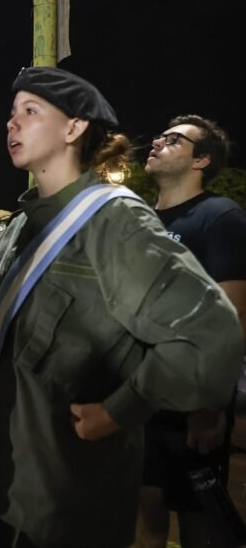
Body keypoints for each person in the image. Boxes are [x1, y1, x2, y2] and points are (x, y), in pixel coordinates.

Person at [0, 67, 243, 548]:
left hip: (68, 502)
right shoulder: (20, 226)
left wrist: (119, 410)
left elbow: (212, 333)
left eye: (30, 111)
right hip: (6, 489)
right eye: (12, 112)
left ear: (74, 127)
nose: (11, 123)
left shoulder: (113, 219)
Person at [135, 114, 246, 548]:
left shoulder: (220, 217)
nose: (158, 142)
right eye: (159, 135)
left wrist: (207, 403)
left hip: (191, 397)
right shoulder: (140, 220)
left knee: (199, 516)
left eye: (174, 140)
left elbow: (233, 314)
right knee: (144, 511)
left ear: (201, 160)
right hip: (140, 393)